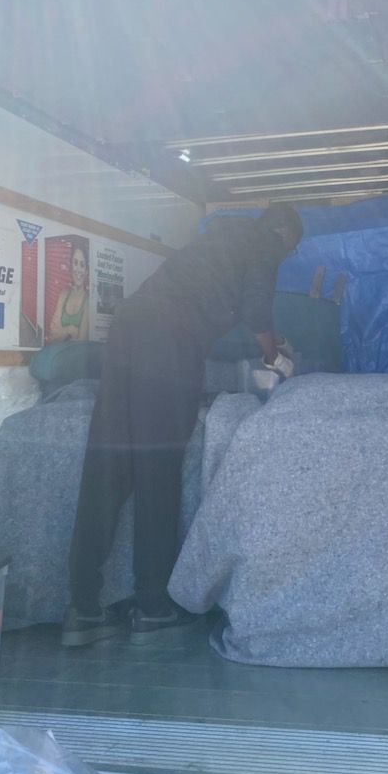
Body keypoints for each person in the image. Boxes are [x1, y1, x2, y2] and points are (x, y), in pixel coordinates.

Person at [62, 204, 303, 647]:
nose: (284, 256)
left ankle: (83, 607)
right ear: (284, 233)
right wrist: (275, 356)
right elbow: (255, 306)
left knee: (108, 462)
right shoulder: (263, 242)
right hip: (167, 341)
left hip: (129, 327)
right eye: (290, 249)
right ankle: (152, 607)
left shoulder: (213, 242)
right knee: (158, 466)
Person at [48, 238, 90, 342]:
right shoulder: (63, 294)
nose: (78, 270)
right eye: (75, 263)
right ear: (71, 266)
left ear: (87, 270)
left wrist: (61, 332)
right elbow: (52, 335)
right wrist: (70, 330)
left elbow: (81, 343)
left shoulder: (89, 300)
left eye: (82, 264)